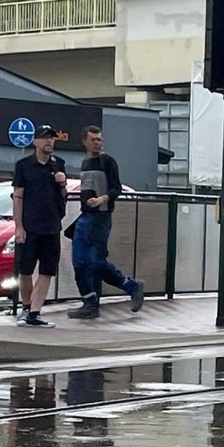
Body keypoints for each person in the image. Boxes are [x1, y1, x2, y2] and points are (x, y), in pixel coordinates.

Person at [68, 125, 144, 320]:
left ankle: (130, 285)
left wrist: (102, 199)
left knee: (95, 261)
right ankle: (90, 302)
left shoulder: (107, 161)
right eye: (93, 139)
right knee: (79, 262)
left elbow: (116, 188)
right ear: (85, 141)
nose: (97, 143)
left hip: (100, 217)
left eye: (99, 139)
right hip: (85, 217)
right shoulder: (85, 163)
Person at [12, 124, 67, 328]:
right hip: (29, 225)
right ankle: (26, 308)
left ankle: (34, 313)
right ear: (35, 142)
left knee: (47, 270)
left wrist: (62, 184)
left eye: (52, 138)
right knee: (25, 270)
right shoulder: (24, 165)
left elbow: (63, 197)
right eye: (45, 138)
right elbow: (18, 197)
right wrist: (19, 227)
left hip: (52, 226)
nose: (49, 142)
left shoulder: (58, 164)